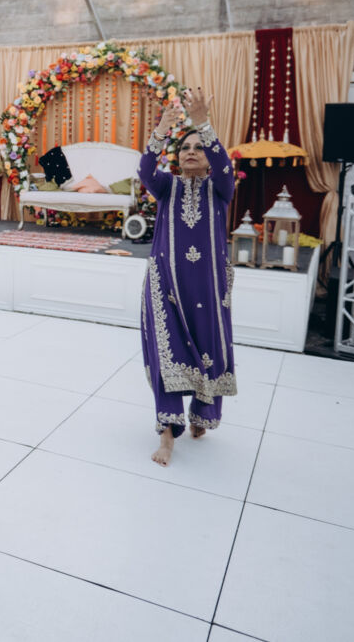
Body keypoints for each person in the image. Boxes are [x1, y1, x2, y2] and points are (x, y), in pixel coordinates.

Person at [139, 89, 237, 467]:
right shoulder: (167, 186)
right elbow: (145, 170)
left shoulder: (219, 189)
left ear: (209, 156)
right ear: (177, 158)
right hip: (166, 285)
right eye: (185, 148)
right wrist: (162, 131)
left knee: (208, 350)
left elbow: (225, 168)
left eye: (199, 147)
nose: (191, 152)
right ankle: (167, 433)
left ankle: (201, 414)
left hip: (208, 287)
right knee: (167, 354)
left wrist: (202, 124)